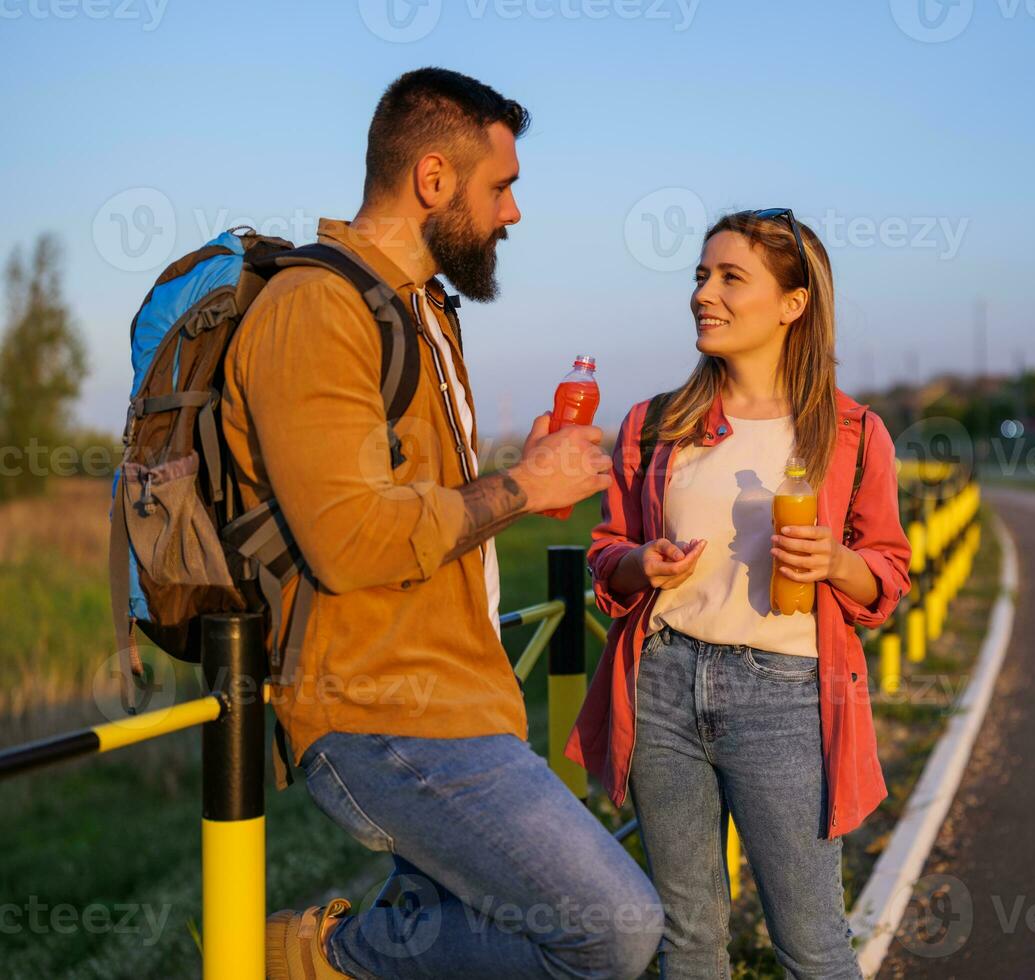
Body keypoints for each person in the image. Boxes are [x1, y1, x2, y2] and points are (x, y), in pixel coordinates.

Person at [220, 67, 662, 979]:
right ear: (432, 179)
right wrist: (521, 491)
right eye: (500, 187)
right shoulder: (315, 309)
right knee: (614, 928)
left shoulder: (423, 314)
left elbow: (420, 519)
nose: (513, 214)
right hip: (380, 714)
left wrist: (513, 477)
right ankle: (321, 958)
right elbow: (350, 543)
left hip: (465, 697)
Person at [566, 209, 913, 978]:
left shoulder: (852, 434)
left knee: (812, 941)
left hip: (786, 696)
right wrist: (638, 564)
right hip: (662, 684)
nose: (704, 294)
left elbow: (886, 574)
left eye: (730, 277)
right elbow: (605, 557)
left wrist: (835, 562)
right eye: (700, 275)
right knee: (687, 939)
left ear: (793, 304)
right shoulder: (656, 424)